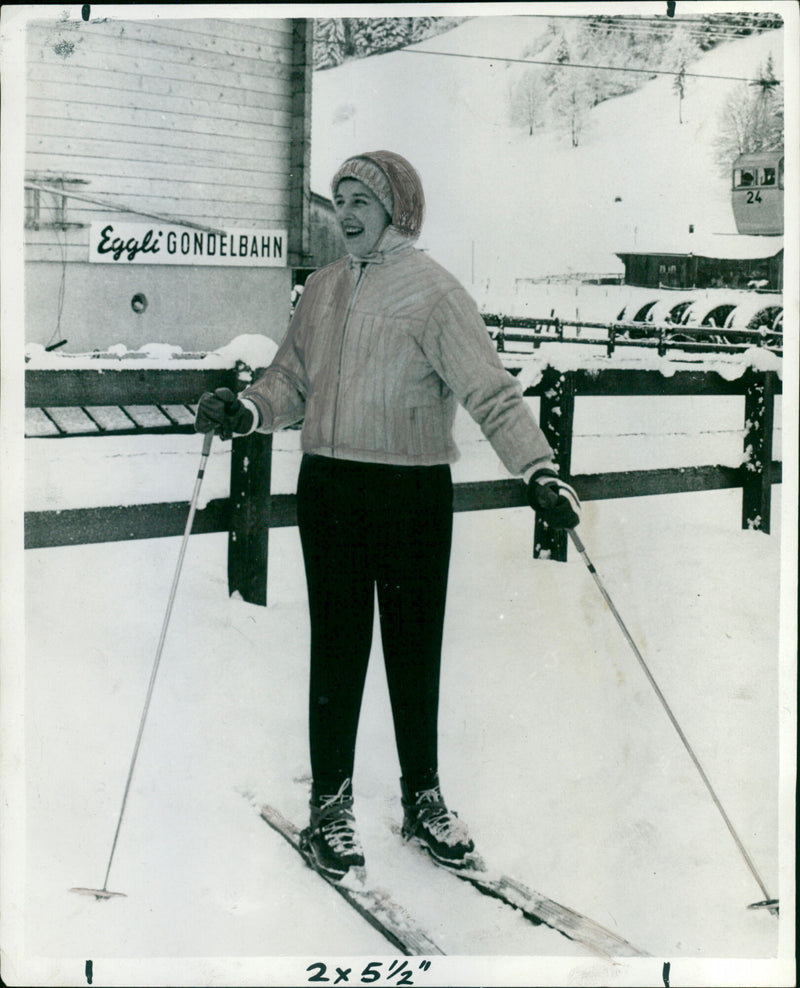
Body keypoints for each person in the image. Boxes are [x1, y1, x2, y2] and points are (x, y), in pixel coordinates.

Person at [195, 151, 580, 883]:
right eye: (338, 198)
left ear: (397, 209)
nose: (345, 212)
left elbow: (490, 392)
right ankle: (330, 805)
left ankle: (423, 797)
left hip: (411, 495)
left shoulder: (437, 295)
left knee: (412, 649)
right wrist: (249, 409)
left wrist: (538, 469)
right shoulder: (321, 289)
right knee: (336, 648)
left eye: (360, 199)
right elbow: (290, 380)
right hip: (332, 488)